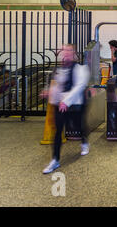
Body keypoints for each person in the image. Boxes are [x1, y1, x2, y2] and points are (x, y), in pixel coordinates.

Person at [42, 44, 90, 174]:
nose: (66, 53)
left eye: (69, 50)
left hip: (75, 103)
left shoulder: (81, 68)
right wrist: (50, 94)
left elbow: (79, 86)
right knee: (58, 131)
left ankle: (84, 142)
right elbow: (57, 85)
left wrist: (66, 101)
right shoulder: (59, 68)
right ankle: (55, 160)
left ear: (74, 53)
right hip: (61, 104)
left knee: (78, 126)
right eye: (64, 50)